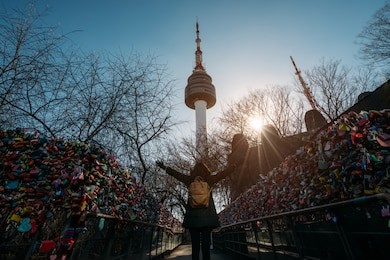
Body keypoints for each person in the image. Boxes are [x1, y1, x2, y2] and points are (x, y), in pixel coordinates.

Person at [156, 160, 237, 260]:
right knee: (205, 247)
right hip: (207, 218)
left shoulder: (190, 180)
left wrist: (165, 167)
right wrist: (233, 167)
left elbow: (177, 175)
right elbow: (222, 174)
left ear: (194, 171)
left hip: (193, 219)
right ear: (205, 170)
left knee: (195, 247)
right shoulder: (209, 179)